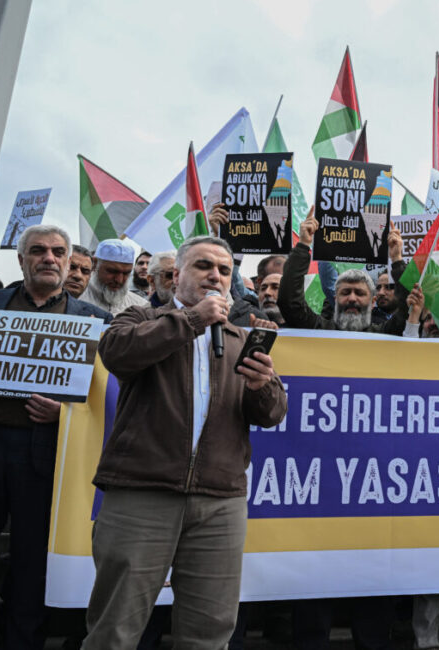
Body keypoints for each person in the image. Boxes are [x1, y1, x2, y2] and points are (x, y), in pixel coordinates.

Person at [81, 235, 287, 648]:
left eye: (224, 270)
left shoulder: (241, 339)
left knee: (209, 632)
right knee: (115, 629)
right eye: (203, 266)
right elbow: (116, 353)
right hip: (142, 493)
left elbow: (272, 413)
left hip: (219, 503)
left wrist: (263, 385)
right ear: (176, 276)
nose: (215, 276)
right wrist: (192, 320)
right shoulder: (139, 317)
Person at [0, 225, 111, 649]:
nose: (49, 258)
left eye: (58, 252)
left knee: (32, 562)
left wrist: (66, 414)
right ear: (21, 259)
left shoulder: (97, 322)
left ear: (68, 261)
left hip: (46, 452)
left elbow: (106, 397)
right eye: (39, 250)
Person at [279, 209, 405, 334]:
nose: (352, 298)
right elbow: (290, 303)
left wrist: (397, 259)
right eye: (345, 292)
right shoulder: (319, 330)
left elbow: (408, 307)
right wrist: (303, 245)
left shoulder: (384, 334)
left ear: (373, 302)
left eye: (360, 293)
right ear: (335, 299)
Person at [82, 238, 149, 314]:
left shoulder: (141, 306)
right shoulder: (76, 298)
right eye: (112, 271)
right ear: (94, 264)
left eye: (126, 273)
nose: (119, 280)